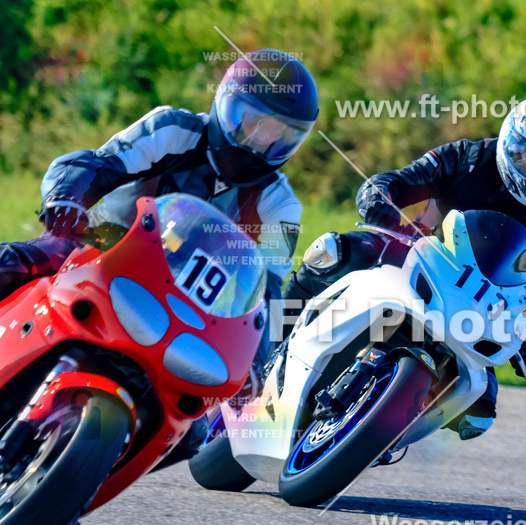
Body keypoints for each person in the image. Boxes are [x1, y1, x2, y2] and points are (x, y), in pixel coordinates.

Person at [0, 48, 318, 462]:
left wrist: (256, 364)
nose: (260, 141)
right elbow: (97, 164)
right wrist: (67, 200)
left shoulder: (280, 204)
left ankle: (75, 483)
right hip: (100, 253)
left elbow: (269, 291)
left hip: (189, 311)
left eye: (280, 134)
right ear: (225, 105)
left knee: (192, 430)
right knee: (23, 261)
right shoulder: (174, 129)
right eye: (252, 123)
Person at [283, 94, 526, 440]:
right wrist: (378, 200)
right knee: (332, 251)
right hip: (417, 257)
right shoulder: (468, 158)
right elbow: (393, 181)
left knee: (477, 413)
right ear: (510, 141)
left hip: (480, 304)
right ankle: (271, 341)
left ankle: (382, 435)